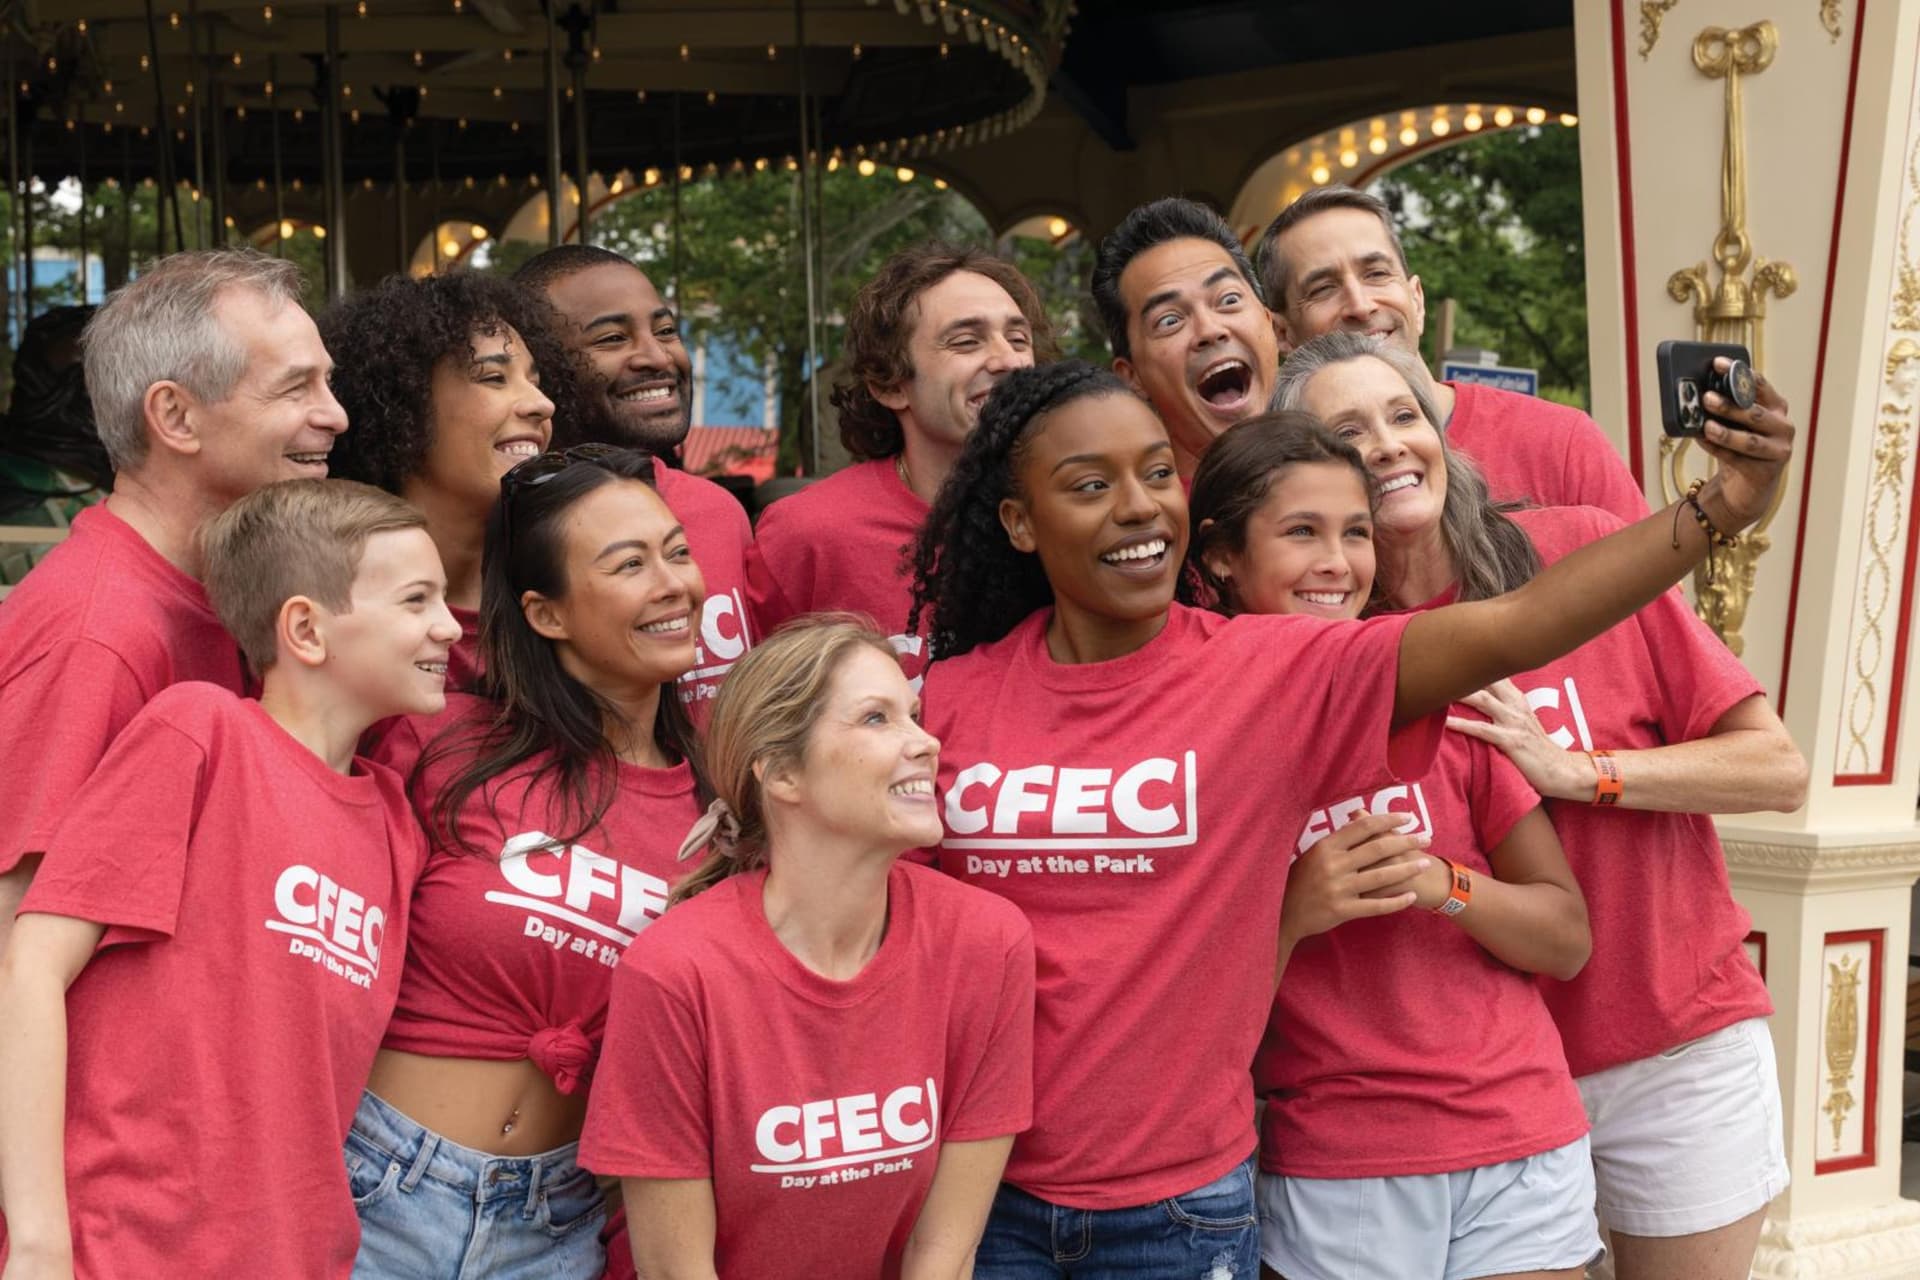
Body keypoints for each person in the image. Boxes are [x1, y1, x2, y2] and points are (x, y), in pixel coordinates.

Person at [903, 352, 1792, 1277]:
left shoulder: (1276, 669)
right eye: (1091, 484)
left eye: (1159, 472)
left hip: (1183, 1207)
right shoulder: (951, 699)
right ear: (1017, 520)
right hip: (990, 1192)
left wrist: (1721, 506)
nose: (1137, 506)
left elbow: (1521, 621)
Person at [1273, 331, 1807, 1280]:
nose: (1389, 444)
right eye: (1348, 433)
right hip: (1485, 1094)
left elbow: (1775, 770)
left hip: (1666, 1043)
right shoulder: (1337, 650)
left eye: (1404, 415)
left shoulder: (1579, 549)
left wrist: (1581, 772)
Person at [0, 479, 455, 1278]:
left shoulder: (393, 823)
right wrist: (38, 1241)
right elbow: (29, 969)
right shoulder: (199, 732)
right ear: (306, 629)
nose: (448, 626)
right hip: (119, 1250)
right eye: (417, 600)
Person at [1188, 413, 1600, 1280]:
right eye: (1302, 532)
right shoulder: (1191, 735)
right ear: (1221, 555)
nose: (1338, 561)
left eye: (1356, 533)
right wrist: (1297, 910)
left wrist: (1442, 883)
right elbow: (1188, 1035)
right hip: (1341, 1162)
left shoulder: (1440, 695)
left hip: (1518, 1139)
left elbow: (1566, 940)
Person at [342, 445, 707, 1279]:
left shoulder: (721, 816)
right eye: (628, 565)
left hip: (555, 1225)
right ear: (546, 614)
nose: (672, 584)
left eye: (678, 553)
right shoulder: (439, 743)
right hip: (377, 1190)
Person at [581, 617, 1036, 1280]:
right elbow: (677, 1272)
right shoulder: (675, 970)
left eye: (914, 714)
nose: (926, 742)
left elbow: (942, 1254)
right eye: (877, 720)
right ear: (782, 773)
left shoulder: (987, 943)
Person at [0, 249, 347, 953]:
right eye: (295, 388)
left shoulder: (211, 587)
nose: (335, 415)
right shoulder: (96, 633)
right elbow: (15, 938)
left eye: (328, 383)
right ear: (176, 417)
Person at [747, 244, 1054, 688]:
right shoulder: (809, 533)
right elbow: (754, 721)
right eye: (967, 341)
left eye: (1018, 339)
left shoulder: (1070, 513)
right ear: (890, 385)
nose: (1008, 360)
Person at [1255, 185, 1647, 521]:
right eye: (1323, 288)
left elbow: (1656, 603)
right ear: (1282, 332)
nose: (1360, 304)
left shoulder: (1560, 442)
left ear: (1417, 300)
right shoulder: (1274, 483)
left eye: (1376, 274)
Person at [516, 245, 755, 715]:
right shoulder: (510, 526)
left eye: (666, 331)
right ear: (536, 370)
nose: (656, 356)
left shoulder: (716, 511)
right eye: (611, 339)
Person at [323, 271, 583, 693]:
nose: (542, 404)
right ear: (402, 406)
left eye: (535, 381)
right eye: (494, 378)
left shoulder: (561, 585)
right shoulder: (340, 614)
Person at [1089, 196, 1282, 480]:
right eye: (1170, 320)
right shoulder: (1154, 520)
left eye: (1228, 299)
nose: (1209, 330)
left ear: (1271, 325)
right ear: (1131, 376)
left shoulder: (1357, 474)